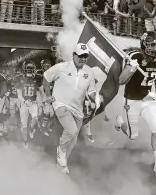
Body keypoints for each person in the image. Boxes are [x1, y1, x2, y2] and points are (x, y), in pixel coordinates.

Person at [116, 31, 156, 178]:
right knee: (132, 136)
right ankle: (120, 123)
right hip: (132, 100)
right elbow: (121, 81)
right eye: (153, 45)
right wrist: (131, 68)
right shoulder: (136, 57)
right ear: (145, 45)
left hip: (148, 100)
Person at [43, 43, 98, 174]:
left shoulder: (89, 72)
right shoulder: (61, 67)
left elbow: (91, 90)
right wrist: (48, 95)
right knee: (71, 130)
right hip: (60, 104)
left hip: (77, 108)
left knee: (73, 141)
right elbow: (46, 77)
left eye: (85, 56)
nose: (83, 59)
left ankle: (62, 164)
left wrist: (93, 99)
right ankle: (61, 150)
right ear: (74, 55)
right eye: (80, 56)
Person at [17, 60, 41, 148]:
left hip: (33, 103)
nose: (30, 71)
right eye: (28, 69)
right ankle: (25, 142)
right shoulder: (20, 79)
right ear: (24, 69)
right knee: (24, 125)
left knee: (35, 118)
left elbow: (38, 93)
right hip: (24, 104)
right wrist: (24, 101)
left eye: (31, 69)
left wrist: (39, 104)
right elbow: (19, 94)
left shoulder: (37, 78)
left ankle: (31, 129)